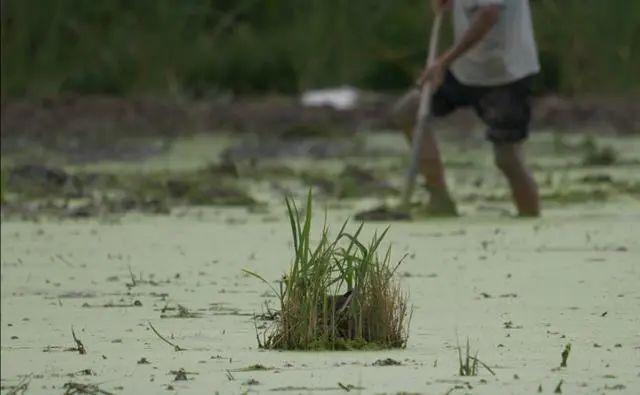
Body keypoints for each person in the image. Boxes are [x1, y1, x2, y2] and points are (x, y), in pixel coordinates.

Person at [394, 0, 541, 217]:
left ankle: (531, 220)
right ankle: (439, 199)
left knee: (507, 158)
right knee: (408, 111)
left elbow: (488, 14)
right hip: (466, 70)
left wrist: (443, 62)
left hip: (505, 74)